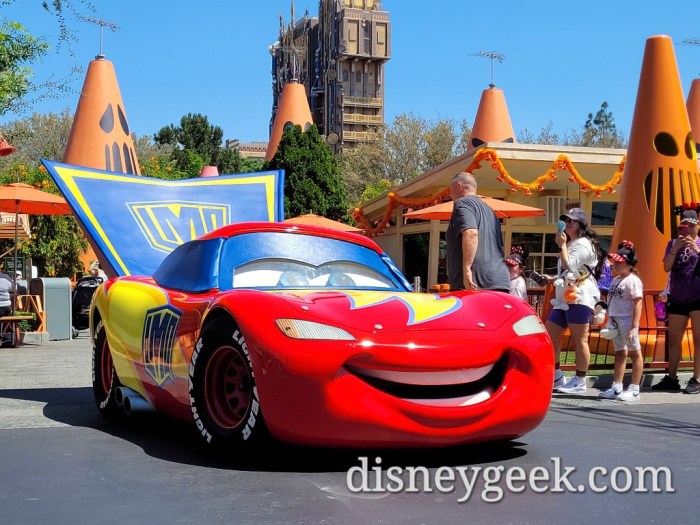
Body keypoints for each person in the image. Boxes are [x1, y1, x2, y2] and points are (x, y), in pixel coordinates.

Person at [546, 208, 601, 394]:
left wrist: (561, 245)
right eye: (566, 219)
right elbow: (568, 272)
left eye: (573, 221)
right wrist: (553, 278)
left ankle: (580, 380)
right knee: (549, 336)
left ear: (581, 225)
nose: (568, 223)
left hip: (580, 296)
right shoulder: (573, 243)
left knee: (580, 340)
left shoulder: (583, 244)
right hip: (564, 297)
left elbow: (570, 265)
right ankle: (558, 375)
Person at [653, 206, 700, 394]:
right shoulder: (672, 243)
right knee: (673, 340)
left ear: (697, 226)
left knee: (698, 339)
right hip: (678, 296)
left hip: (698, 297)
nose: (686, 230)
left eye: (690, 226)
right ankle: (672, 378)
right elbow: (666, 267)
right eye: (683, 226)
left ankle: (696, 378)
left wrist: (696, 249)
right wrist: (674, 249)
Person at [446, 172, 509, 292]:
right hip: (500, 281)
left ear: (459, 186)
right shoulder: (490, 211)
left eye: (450, 189)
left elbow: (471, 233)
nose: (450, 194)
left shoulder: (462, 203)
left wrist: (467, 269)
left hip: (474, 283)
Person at [598, 241, 644, 402]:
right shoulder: (616, 280)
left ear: (629, 264)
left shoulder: (633, 280)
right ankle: (617, 386)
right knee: (619, 353)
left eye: (620, 262)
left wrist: (634, 326)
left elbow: (638, 302)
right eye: (615, 261)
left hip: (627, 320)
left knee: (634, 352)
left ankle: (635, 388)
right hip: (615, 320)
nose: (615, 264)